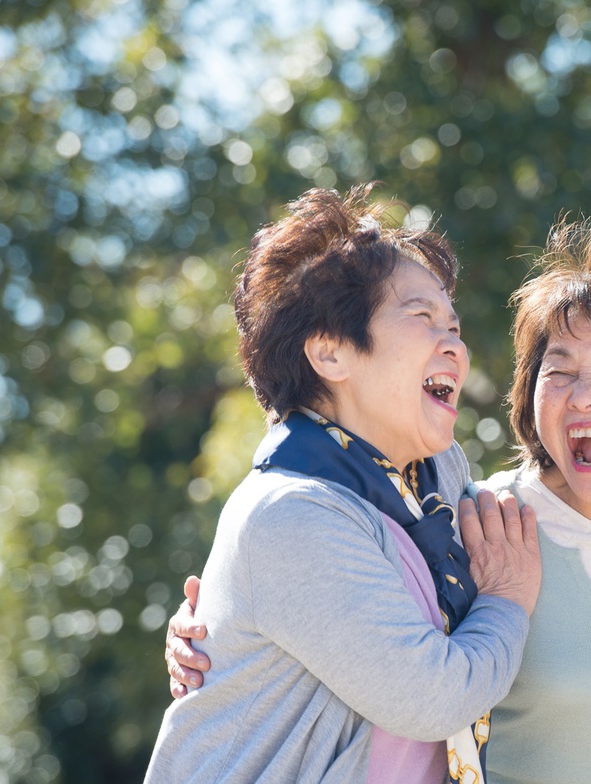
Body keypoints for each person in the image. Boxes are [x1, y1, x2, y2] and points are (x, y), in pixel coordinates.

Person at [165, 220, 591, 783]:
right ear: (330, 354)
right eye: (560, 370)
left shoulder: (435, 490)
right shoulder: (483, 526)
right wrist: (218, 633)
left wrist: (227, 630)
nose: (585, 396)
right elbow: (427, 692)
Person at [143, 185, 541, 784]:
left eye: (454, 326)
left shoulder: (440, 474)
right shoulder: (290, 514)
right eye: (422, 317)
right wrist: (507, 599)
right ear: (330, 353)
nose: (454, 344)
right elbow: (431, 696)